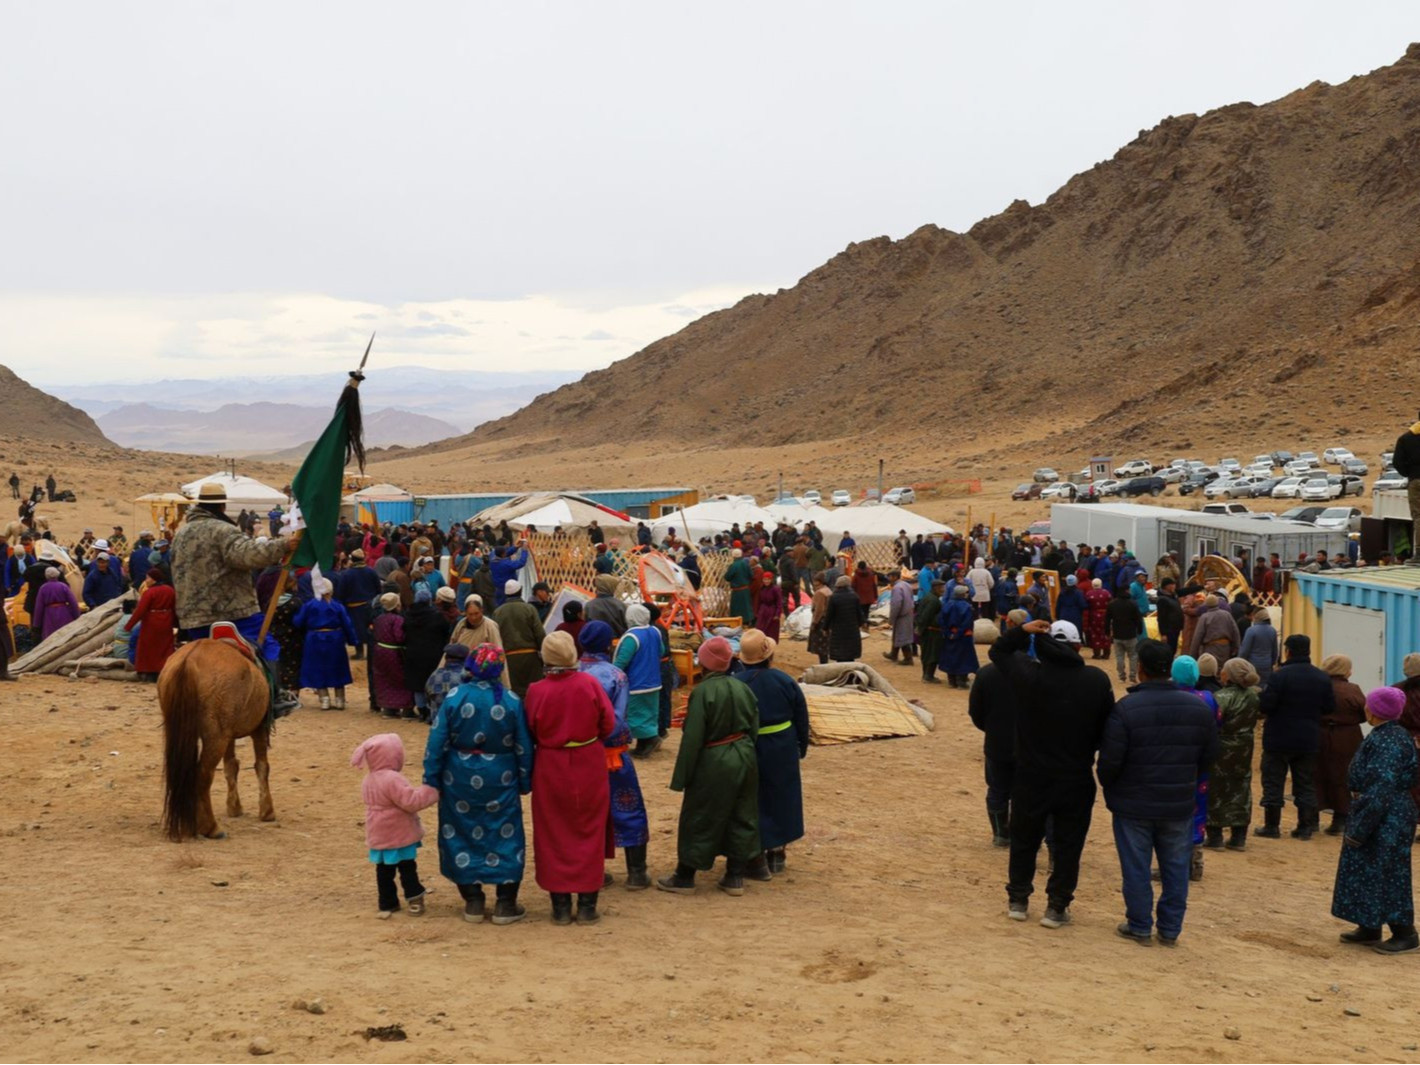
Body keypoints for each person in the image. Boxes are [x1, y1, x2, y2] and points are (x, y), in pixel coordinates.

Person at [989, 618, 1115, 927]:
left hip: (1031, 775)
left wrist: (1022, 630)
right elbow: (1106, 729)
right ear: (1076, 646)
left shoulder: (1028, 675)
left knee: (1023, 840)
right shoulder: (1096, 680)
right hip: (1075, 775)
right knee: (1069, 845)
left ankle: (1018, 899)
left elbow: (998, 651)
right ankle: (1057, 907)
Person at [1098, 639, 1219, 946]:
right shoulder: (1199, 708)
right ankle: (1170, 928)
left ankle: (1139, 924)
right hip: (1179, 802)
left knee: (1136, 867)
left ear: (1140, 669)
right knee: (1176, 868)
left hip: (1133, 803)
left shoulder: (1125, 708)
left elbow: (1110, 762)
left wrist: (1112, 789)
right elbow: (1209, 757)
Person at [422, 644, 534, 924]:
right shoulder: (511, 700)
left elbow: (436, 742)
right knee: (505, 834)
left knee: (460, 832)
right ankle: (505, 904)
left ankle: (473, 901)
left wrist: (431, 779)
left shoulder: (455, 697)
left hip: (457, 777)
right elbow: (524, 746)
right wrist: (524, 781)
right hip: (502, 776)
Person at [170, 482, 292, 704]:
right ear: (222, 506)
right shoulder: (223, 530)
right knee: (269, 646)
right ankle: (275, 698)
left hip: (192, 617)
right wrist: (284, 545)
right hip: (234, 612)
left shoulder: (181, 534)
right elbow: (249, 555)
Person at [658, 636, 762, 896]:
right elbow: (754, 727)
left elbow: (693, 737)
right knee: (742, 813)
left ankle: (685, 876)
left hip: (714, 760)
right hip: (744, 756)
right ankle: (735, 876)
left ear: (703, 664)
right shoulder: (743, 688)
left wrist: (682, 777)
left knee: (699, 816)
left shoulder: (702, 693)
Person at [523, 631, 615, 925]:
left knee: (553, 832)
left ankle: (560, 906)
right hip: (589, 763)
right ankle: (587, 905)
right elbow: (608, 723)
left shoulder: (536, 691)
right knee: (589, 828)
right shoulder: (589, 683)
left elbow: (530, 730)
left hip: (550, 764)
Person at [1332, 685, 1419, 953]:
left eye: (1369, 705)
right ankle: (1369, 925)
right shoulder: (1386, 734)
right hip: (1381, 810)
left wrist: (1361, 826)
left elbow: (1382, 785)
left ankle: (1405, 933)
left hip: (1386, 814)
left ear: (1375, 710)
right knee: (1366, 868)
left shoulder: (1389, 741)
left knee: (1388, 872)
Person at [578, 621, 651, 890]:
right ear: (609, 643)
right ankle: (637, 873)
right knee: (627, 808)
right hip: (612, 755)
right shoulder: (615, 676)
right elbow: (617, 721)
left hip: (579, 756)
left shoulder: (571, 673)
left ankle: (593, 872)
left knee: (586, 813)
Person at [737, 629, 809, 874]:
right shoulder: (784, 680)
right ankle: (777, 852)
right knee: (782, 796)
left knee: (751, 797)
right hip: (782, 745)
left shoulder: (736, 684)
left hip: (746, 747)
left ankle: (754, 851)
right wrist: (801, 745)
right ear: (770, 655)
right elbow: (801, 716)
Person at [351, 732, 438, 919]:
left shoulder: (369, 779)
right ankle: (414, 898)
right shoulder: (393, 778)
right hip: (399, 832)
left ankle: (387, 903)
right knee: (407, 867)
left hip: (378, 832)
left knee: (383, 870)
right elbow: (411, 801)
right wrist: (431, 791)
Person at [1256, 634, 1333, 840]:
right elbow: (1329, 707)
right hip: (1308, 738)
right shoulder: (1321, 677)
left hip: (1278, 737)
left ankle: (1271, 826)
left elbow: (1266, 706)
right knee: (1305, 783)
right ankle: (1305, 827)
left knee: (1273, 782)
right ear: (1308, 650)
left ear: (1288, 650)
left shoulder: (1279, 676)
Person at [969, 609, 1028, 847]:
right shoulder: (1036, 670)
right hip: (1029, 743)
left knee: (997, 788)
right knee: (1026, 792)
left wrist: (991, 728)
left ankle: (1000, 833)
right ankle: (1024, 833)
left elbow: (976, 712)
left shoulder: (986, 673)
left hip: (997, 742)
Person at [1205, 658, 1262, 851]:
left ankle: (1215, 836)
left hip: (1222, 746)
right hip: (1245, 746)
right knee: (1241, 786)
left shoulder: (1220, 697)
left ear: (1229, 675)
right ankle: (1239, 836)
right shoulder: (1254, 696)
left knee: (1216, 788)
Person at [1317, 654, 1368, 837]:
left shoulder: (1318, 687)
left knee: (1317, 773)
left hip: (1319, 734)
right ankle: (1340, 818)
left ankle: (1310, 818)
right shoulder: (1352, 689)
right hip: (1348, 737)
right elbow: (1365, 713)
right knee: (1344, 776)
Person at [291, 577, 359, 710]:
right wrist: (353, 640)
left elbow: (298, 622)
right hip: (335, 639)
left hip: (314, 639)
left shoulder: (309, 605)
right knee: (337, 667)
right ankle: (340, 699)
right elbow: (347, 624)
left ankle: (324, 699)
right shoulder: (337, 606)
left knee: (318, 668)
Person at [613, 603, 664, 757]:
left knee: (635, 715)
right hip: (654, 681)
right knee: (649, 713)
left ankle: (651, 739)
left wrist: (612, 675)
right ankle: (643, 745)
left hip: (636, 683)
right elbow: (661, 651)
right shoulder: (655, 631)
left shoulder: (631, 636)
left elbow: (622, 661)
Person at [403, 586, 452, 722]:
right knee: (431, 683)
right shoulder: (437, 616)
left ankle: (422, 711)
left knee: (417, 684)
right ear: (429, 600)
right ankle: (431, 711)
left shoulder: (408, 615)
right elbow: (445, 631)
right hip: (433, 654)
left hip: (413, 654)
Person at [494, 579, 546, 699]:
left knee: (514, 695)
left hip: (509, 660)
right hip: (531, 660)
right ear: (521, 591)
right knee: (533, 694)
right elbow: (539, 634)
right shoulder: (529, 609)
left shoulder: (498, 612)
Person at [371, 592, 415, 719]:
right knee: (400, 679)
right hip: (393, 652)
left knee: (384, 679)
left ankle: (389, 708)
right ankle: (406, 708)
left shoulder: (379, 619)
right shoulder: (398, 620)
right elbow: (399, 637)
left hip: (379, 652)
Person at [1390, 409, 1420, 553]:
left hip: (1416, 481)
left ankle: (1419, 552)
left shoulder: (1406, 438)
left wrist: (1410, 473)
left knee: (1418, 516)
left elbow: (1397, 462)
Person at [938, 585, 978, 688]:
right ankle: (961, 681)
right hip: (963, 636)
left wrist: (948, 633)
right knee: (964, 658)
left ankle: (952, 681)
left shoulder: (947, 605)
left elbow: (941, 620)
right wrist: (958, 633)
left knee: (950, 657)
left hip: (949, 636)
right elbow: (967, 622)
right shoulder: (967, 607)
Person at [423, 643, 471, 724]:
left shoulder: (435, 674)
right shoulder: (468, 676)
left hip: (438, 722)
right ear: (466, 659)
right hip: (461, 724)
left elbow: (427, 697)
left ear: (446, 658)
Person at [1105, 586, 1144, 684]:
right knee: (1133, 656)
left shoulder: (1112, 604)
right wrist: (1140, 629)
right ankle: (1132, 676)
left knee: (1119, 656)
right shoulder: (1133, 603)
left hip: (1117, 634)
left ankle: (1122, 676)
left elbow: (1107, 620)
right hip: (1130, 634)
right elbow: (1138, 618)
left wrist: (1107, 632)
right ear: (1127, 590)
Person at [821, 575, 862, 663]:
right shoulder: (854, 596)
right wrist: (861, 623)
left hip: (838, 629)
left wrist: (825, 628)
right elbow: (859, 612)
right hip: (852, 628)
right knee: (850, 652)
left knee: (840, 652)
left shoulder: (834, 597)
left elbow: (829, 614)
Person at [33, 567, 80, 643]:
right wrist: (77, 616)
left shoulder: (43, 588)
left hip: (49, 615)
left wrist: (36, 624)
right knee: (66, 636)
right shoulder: (63, 586)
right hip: (64, 613)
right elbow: (73, 602)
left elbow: (39, 607)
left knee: (51, 639)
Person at [1189, 594, 1240, 662]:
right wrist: (1236, 647)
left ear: (1206, 605)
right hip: (1225, 648)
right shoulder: (1227, 615)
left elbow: (1197, 636)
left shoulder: (1204, 617)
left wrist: (1193, 655)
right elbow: (1235, 632)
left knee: (1211, 669)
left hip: (1210, 649)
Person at [882, 569, 916, 667]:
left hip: (902, 615)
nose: (888, 578)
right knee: (898, 634)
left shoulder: (897, 588)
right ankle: (893, 654)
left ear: (894, 577)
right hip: (908, 612)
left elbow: (896, 605)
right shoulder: (906, 585)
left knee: (902, 636)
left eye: (889, 576)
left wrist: (891, 619)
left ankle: (908, 658)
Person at [914, 577, 946, 683]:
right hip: (931, 632)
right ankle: (928, 676)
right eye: (941, 587)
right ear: (936, 588)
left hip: (927, 630)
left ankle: (926, 674)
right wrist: (921, 628)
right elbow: (925, 616)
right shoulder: (934, 601)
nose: (943, 590)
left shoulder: (929, 597)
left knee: (926, 653)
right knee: (932, 654)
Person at [1238, 607, 1279, 688]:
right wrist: (1272, 662)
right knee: (1265, 687)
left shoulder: (1251, 630)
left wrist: (1240, 661)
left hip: (1252, 664)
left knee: (1253, 686)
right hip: (1267, 664)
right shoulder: (1272, 631)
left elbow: (1244, 651)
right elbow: (1275, 651)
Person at [1084, 578, 1112, 660]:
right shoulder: (1107, 593)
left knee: (1095, 634)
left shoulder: (1089, 594)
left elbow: (1086, 606)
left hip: (1094, 616)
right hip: (1105, 615)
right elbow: (1111, 603)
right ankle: (1106, 654)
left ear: (1092, 585)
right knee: (1106, 633)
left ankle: (1097, 654)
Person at [806, 573, 832, 665]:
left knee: (821, 647)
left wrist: (815, 622)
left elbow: (819, 609)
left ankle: (823, 664)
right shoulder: (828, 590)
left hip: (821, 621)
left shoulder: (820, 593)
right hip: (828, 620)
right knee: (826, 644)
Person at [1154, 578, 1183, 655]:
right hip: (1169, 631)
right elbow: (1161, 618)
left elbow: (1185, 591)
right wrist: (1163, 634)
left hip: (1176, 629)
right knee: (1168, 651)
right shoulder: (1162, 600)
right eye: (1172, 585)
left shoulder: (1173, 596)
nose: (1174, 586)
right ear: (1167, 586)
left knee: (1173, 650)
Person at [725, 549, 754, 626]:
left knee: (737, 608)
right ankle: (748, 621)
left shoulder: (733, 565)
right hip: (746, 589)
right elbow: (751, 575)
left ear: (733, 556)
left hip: (737, 590)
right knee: (746, 606)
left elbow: (727, 577)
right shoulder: (746, 564)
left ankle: (737, 622)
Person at [756, 569, 786, 641]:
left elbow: (779, 602)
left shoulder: (776, 589)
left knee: (771, 631)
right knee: (760, 628)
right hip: (763, 611)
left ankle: (770, 645)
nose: (766, 581)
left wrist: (777, 614)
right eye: (765, 579)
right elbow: (759, 601)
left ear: (771, 580)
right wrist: (758, 612)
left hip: (772, 611)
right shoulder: (761, 588)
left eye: (768, 579)